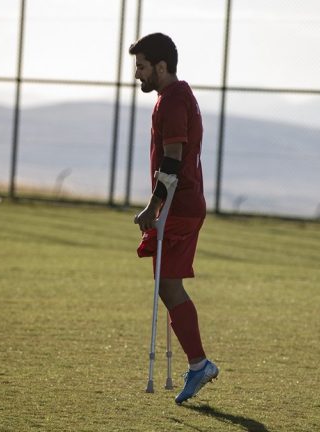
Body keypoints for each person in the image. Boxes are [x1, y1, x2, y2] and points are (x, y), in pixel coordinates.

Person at [130, 32, 219, 404]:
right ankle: (198, 363)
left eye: (142, 67)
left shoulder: (172, 101)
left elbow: (172, 157)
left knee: (167, 285)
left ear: (161, 67)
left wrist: (154, 206)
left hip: (179, 206)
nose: (137, 74)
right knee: (168, 285)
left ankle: (199, 364)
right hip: (184, 204)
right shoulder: (176, 96)